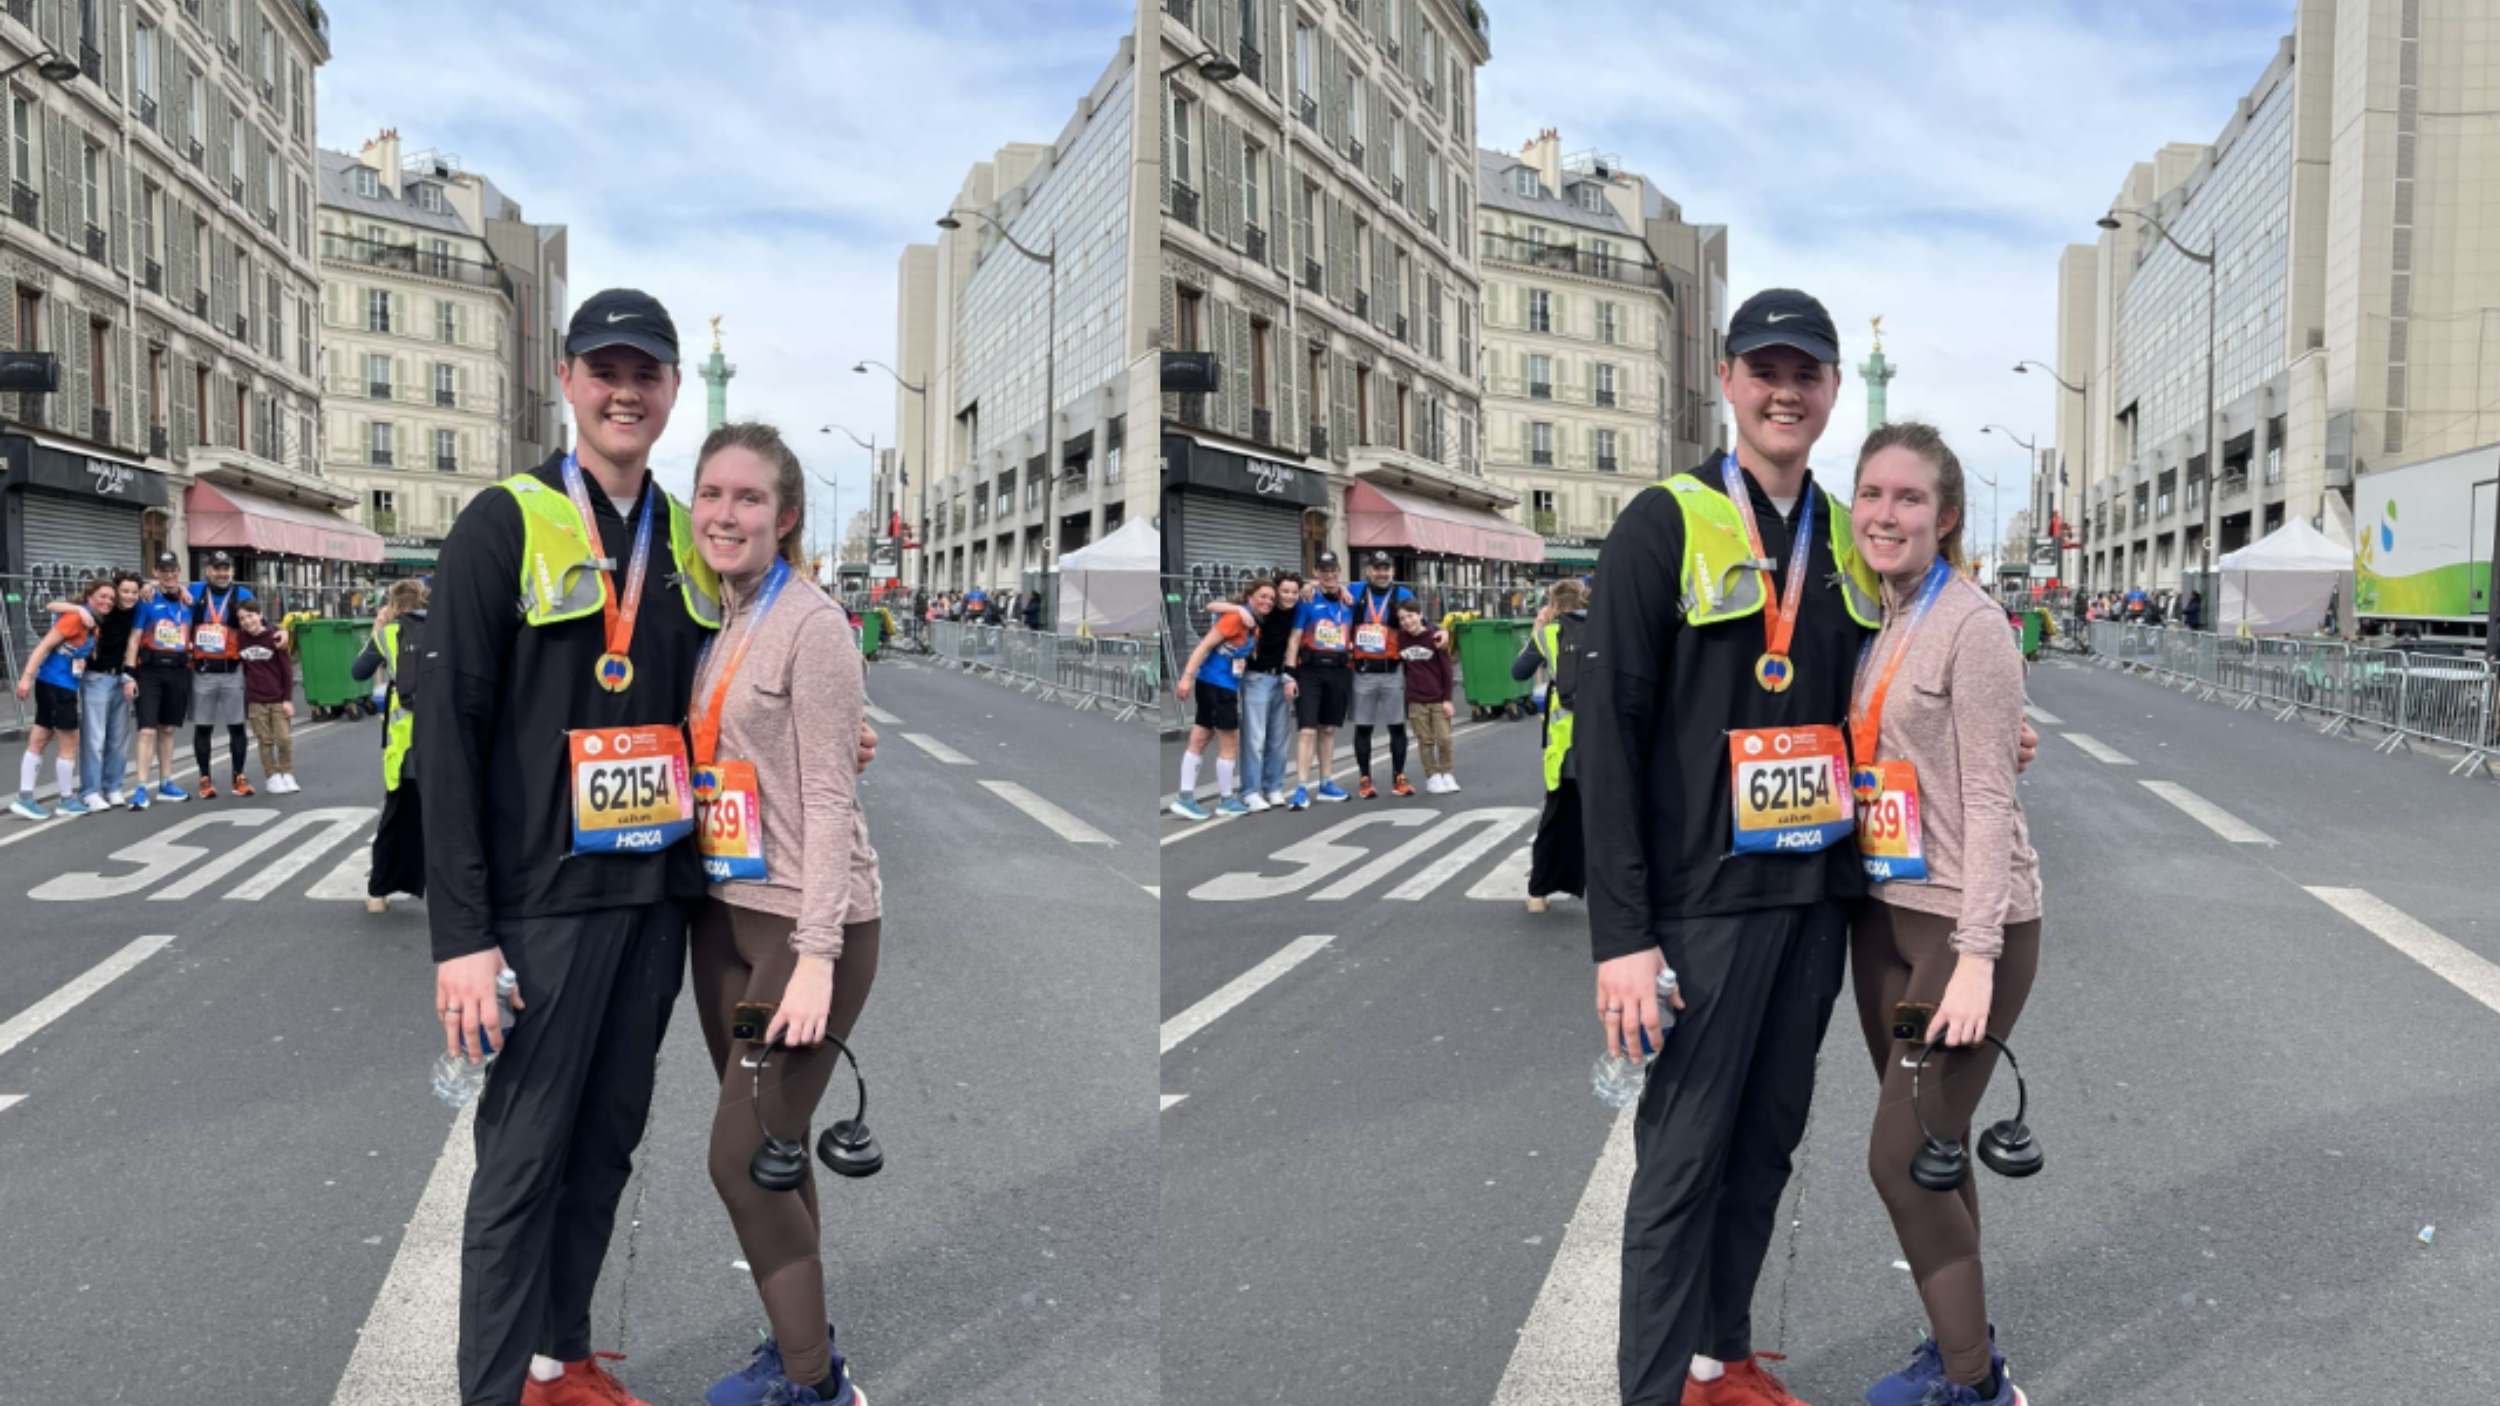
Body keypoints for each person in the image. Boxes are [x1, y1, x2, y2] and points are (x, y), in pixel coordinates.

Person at [1578, 290, 2036, 1406]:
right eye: (1763, 368)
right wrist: (1623, 936)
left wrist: (1992, 725)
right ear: (1728, 381)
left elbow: (1891, 686)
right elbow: (1606, 731)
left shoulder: (1842, 532)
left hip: (1818, 902)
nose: (1785, 390)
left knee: (1766, 1147)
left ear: (1833, 391)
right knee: (1681, 1163)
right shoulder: (1663, 519)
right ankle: (1652, 1392)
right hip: (1699, 905)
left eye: (1807, 373)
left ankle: (1719, 1360)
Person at [420, 289, 877, 1406]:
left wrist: (833, 723)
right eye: (603, 369)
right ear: (568, 382)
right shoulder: (504, 519)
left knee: (606, 1147)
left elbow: (731, 685)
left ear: (673, 391)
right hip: (540, 904)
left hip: (659, 900)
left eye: (647, 373)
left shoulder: (682, 531)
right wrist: (464, 936)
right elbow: (446, 731)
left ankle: (559, 1359)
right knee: (522, 1163)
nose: (625, 390)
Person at [683, 424, 879, 1406]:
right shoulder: (723, 618)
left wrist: (815, 956)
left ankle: (816, 1386)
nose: (725, 513)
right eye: (711, 493)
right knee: (773, 1144)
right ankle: (800, 1342)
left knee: (737, 1154)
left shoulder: (811, 622)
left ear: (786, 515)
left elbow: (835, 801)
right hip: (725, 917)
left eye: (748, 498)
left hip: (805, 930)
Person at [1846, 422, 2041, 1406]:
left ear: (1946, 515)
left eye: (1909, 498)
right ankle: (1962, 1343)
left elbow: (1991, 801)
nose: (1886, 513)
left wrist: (1973, 955)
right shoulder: (1879, 617)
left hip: (1968, 930)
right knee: (1932, 1146)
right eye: (1871, 493)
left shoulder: (1970, 623)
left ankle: (1975, 1387)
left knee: (1897, 1155)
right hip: (1884, 918)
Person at [354, 580, 431, 913]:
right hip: (447, 742)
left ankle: (378, 894)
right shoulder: (447, 629)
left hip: (406, 748)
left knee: (396, 819)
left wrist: (378, 628)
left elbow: (359, 672)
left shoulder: (389, 635)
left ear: (394, 605)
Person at [1169, 580, 1272, 821]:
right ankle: (1226, 800)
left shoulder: (1252, 624)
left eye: (1271, 599)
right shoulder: (1236, 618)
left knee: (1200, 738)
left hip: (1217, 684)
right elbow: (1204, 646)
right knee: (1230, 741)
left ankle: (1185, 798)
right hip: (1217, 685)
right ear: (1250, 597)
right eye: (1262, 596)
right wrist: (1186, 678)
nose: (1267, 601)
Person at [11, 578, 110, 819]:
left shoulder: (92, 624)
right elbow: (43, 647)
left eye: (111, 598)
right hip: (57, 685)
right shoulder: (76, 617)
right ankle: (66, 800)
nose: (107, 601)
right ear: (89, 597)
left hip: (57, 684)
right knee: (70, 741)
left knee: (40, 738)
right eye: (102, 596)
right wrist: (25, 678)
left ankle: (25, 797)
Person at [1517, 579, 1589, 913]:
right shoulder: (1607, 629)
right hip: (1607, 742)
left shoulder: (1548, 635)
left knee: (1556, 819)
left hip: (1566, 748)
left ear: (1554, 605)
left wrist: (1538, 627)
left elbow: (1519, 672)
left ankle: (1538, 894)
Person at [45, 570, 142, 810]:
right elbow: (52, 605)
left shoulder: (135, 610)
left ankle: (114, 787)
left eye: (134, 592)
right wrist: (78, 610)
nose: (129, 597)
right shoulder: (100, 608)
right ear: (115, 591)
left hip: (121, 678)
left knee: (119, 739)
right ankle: (90, 791)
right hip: (96, 678)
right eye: (124, 592)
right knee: (95, 738)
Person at [1281, 551, 1356, 809]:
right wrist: (1289, 675)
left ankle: (1326, 783)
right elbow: (1293, 638)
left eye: (1333, 569)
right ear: (1316, 573)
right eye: (1324, 570)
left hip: (1339, 670)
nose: (1330, 574)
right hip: (1310, 670)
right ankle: (1301, 787)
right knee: (1307, 730)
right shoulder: (1307, 599)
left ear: (1339, 571)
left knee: (1328, 729)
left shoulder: (1349, 600)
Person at [182, 550, 259, 798]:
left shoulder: (242, 594)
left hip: (232, 671)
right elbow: (167, 591)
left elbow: (259, 621)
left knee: (237, 726)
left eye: (226, 568)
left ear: (232, 572)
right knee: (203, 728)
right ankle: (205, 778)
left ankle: (239, 776)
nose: (222, 573)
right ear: (208, 571)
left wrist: (280, 632)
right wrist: (146, 588)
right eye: (217, 568)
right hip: (202, 671)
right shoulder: (194, 591)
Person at [125, 550, 197, 808]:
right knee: (146, 730)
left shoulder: (189, 600)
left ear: (179, 572)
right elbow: (134, 638)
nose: (169, 574)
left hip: (178, 670)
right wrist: (129, 674)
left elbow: (220, 591)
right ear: (156, 572)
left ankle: (166, 783)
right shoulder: (146, 600)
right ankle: (141, 788)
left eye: (173, 570)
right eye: (163, 570)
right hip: (150, 670)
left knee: (167, 729)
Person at [1345, 551, 1417, 799]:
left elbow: (1418, 621)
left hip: (1392, 671)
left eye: (1386, 569)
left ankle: (1399, 776)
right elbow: (1327, 592)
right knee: (1363, 728)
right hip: (1362, 671)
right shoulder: (1354, 591)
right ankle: (1365, 778)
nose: (1382, 573)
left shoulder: (1403, 595)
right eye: (1377, 568)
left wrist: (1439, 632)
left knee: (1397, 726)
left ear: (1393, 572)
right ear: (1368, 571)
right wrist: (1306, 589)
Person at [1237, 572, 1303, 811]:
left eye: (1294, 592)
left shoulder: (1297, 609)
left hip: (1282, 678)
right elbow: (1217, 606)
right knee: (1255, 739)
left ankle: (1274, 787)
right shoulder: (1263, 608)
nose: (1290, 596)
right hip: (1257, 678)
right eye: (1284, 592)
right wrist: (1242, 611)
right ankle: (1250, 792)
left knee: (1279, 739)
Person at [1394, 599, 1458, 793]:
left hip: (1438, 698)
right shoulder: (1401, 639)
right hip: (1415, 699)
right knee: (1425, 740)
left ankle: (1447, 772)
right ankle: (1432, 776)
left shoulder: (1435, 638)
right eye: (1402, 618)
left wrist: (1447, 699)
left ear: (1420, 615)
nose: (1407, 621)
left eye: (1410, 616)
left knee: (1444, 738)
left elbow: (1447, 671)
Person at [236, 601, 297, 793]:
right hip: (255, 699)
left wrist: (287, 699)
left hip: (278, 698)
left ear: (260, 615)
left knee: (284, 738)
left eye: (250, 616)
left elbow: (287, 671)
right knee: (265, 740)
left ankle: (287, 772)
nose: (247, 621)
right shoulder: (240, 639)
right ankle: (272, 776)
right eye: (242, 618)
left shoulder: (275, 638)